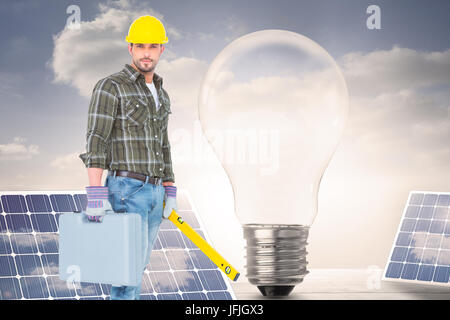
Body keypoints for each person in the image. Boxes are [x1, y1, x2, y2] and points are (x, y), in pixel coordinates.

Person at [79, 15, 177, 300]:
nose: (147, 52)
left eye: (153, 46)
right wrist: (95, 193)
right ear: (130, 48)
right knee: (125, 272)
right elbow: (96, 138)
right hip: (126, 190)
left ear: (162, 50)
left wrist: (169, 188)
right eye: (141, 46)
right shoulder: (111, 86)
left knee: (137, 269)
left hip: (155, 193)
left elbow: (164, 143)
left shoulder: (161, 93)